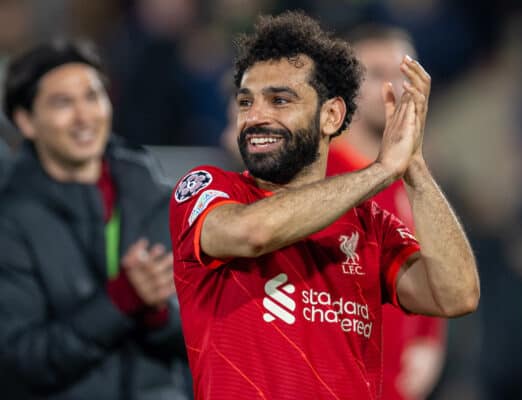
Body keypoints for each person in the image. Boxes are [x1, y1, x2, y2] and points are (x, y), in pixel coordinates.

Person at [169, 11, 479, 400]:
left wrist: (414, 166)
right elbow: (252, 233)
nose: (255, 116)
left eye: (279, 100)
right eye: (246, 101)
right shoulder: (207, 189)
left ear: (331, 115)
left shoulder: (371, 225)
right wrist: (383, 169)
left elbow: (455, 295)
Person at [0, 39, 191, 399]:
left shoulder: (157, 196)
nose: (85, 116)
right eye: (63, 103)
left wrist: (157, 315)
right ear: (26, 121)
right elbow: (17, 362)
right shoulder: (10, 217)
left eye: (93, 96)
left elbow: (205, 338)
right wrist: (120, 303)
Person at [326, 26, 447, 400]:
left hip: (393, 385)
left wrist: (430, 337)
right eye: (377, 74)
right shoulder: (316, 173)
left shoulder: (414, 176)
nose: (393, 86)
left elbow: (432, 263)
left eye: (404, 74)